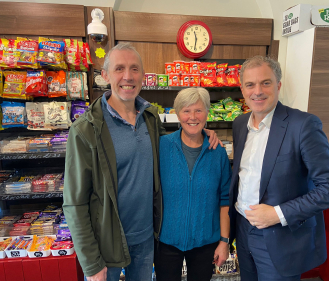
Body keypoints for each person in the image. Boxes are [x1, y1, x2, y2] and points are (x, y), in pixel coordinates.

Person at [63, 43, 220, 281]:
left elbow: (169, 145)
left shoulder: (150, 116)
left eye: (134, 69)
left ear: (143, 76)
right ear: (105, 75)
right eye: (119, 68)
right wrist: (91, 263)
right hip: (106, 246)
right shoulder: (85, 129)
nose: (128, 76)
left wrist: (200, 132)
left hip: (146, 240)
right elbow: (74, 203)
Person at [228, 56, 329, 281]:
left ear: (278, 85)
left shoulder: (303, 125)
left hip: (280, 237)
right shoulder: (240, 124)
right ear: (242, 89)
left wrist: (277, 214)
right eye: (250, 85)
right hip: (243, 230)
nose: (258, 91)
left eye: (266, 83)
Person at [154, 87, 231, 281]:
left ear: (207, 113)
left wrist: (224, 241)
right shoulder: (162, 146)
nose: (192, 117)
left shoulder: (218, 152)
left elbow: (225, 200)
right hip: (167, 241)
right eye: (186, 111)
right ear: (178, 114)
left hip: (206, 243)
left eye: (199, 110)